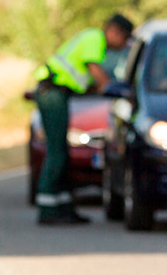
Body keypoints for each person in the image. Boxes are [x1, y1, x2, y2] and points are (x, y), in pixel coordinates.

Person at [33, 13, 133, 225]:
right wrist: (113, 87)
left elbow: (87, 81)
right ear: (114, 31)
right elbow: (95, 71)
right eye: (124, 39)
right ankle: (47, 208)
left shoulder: (94, 40)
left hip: (58, 94)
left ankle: (63, 206)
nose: (123, 45)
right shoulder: (95, 39)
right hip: (52, 93)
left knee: (62, 152)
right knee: (56, 152)